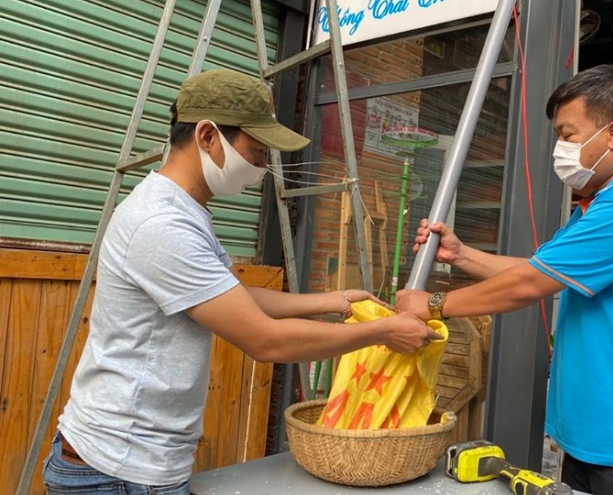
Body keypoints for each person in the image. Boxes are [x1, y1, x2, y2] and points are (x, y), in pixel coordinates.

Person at [43, 69, 440, 495]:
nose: (262, 166)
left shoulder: (186, 210)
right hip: (117, 471)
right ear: (208, 137)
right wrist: (382, 331)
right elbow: (264, 340)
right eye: (256, 150)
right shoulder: (161, 224)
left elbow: (230, 295)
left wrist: (338, 300)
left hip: (134, 463)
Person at [396, 64, 613, 495]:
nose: (560, 147)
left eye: (568, 134)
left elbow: (529, 285)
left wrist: (432, 305)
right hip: (594, 438)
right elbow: (538, 269)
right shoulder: (597, 205)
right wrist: (462, 254)